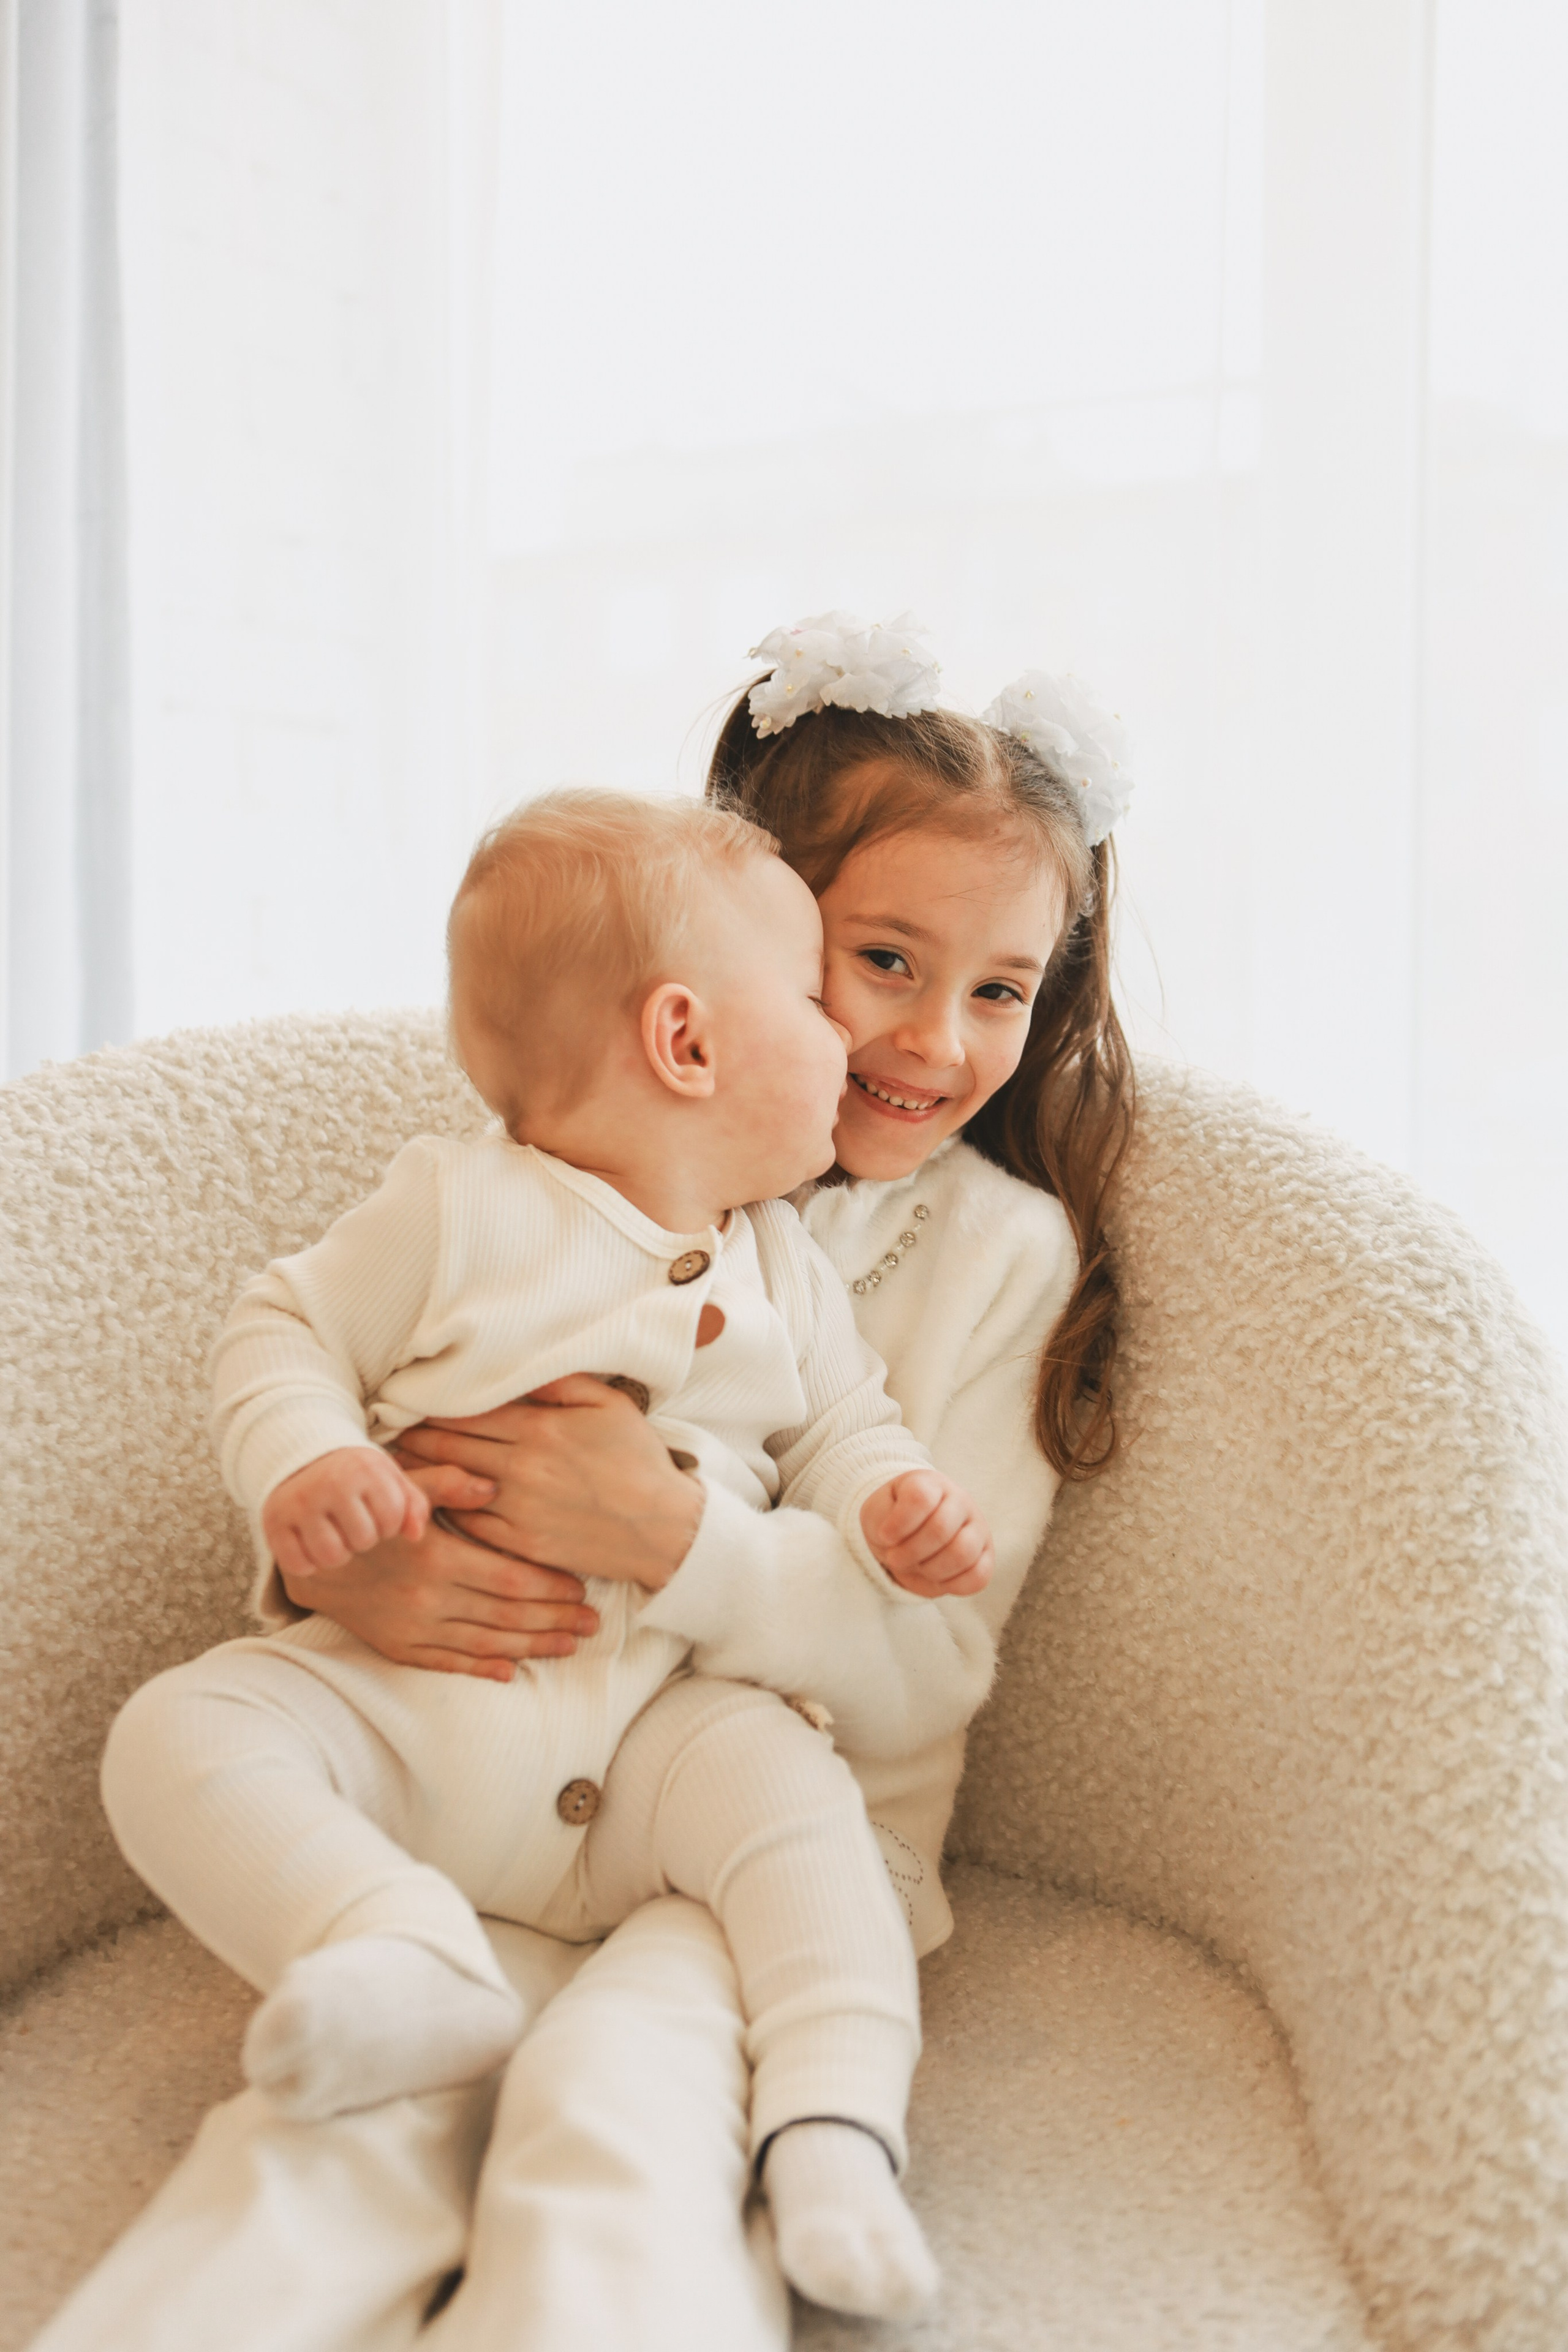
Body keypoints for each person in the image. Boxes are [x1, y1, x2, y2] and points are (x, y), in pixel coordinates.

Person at [36, 613, 1136, 2352]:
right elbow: (369, 1379)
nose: (933, 1040)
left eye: (1004, 988)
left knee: (617, 2135)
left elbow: (934, 1660)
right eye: (876, 965)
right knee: (319, 2149)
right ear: (723, 975)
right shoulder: (548, 1166)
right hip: (477, 1769)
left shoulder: (997, 1255)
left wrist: (672, 1536)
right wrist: (350, 1566)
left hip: (758, 1847)